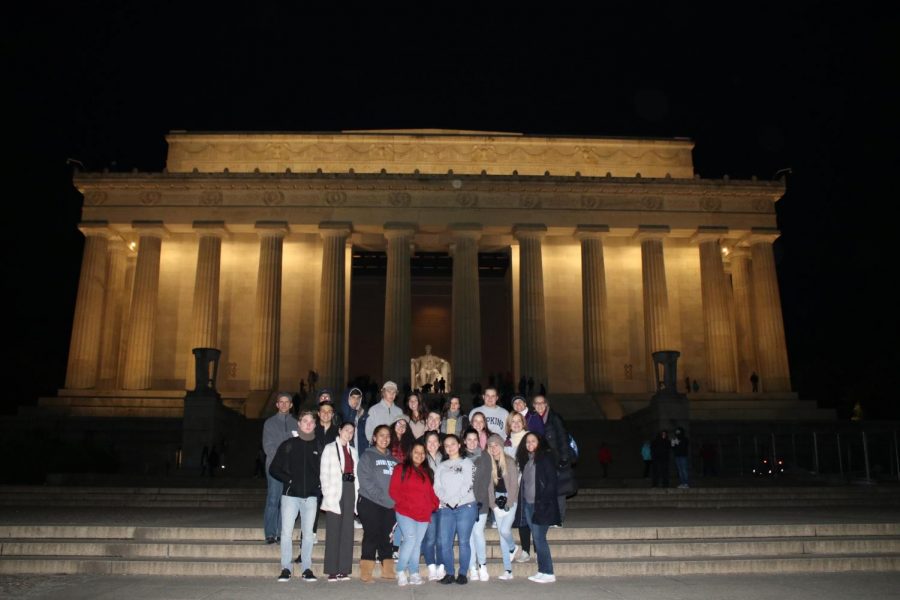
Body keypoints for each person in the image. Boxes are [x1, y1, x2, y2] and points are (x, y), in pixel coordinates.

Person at [269, 411, 320, 582]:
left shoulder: (319, 446)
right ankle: (286, 568)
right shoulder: (288, 444)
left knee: (308, 534)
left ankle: (306, 568)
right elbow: (274, 469)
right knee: (286, 533)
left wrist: (318, 487)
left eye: (311, 422)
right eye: (304, 421)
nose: (307, 424)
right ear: (298, 424)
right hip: (290, 496)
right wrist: (289, 480)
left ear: (315, 425)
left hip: (311, 497)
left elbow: (325, 472)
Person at [389, 442, 440, 586]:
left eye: (422, 453)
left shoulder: (427, 472)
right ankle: (400, 571)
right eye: (416, 452)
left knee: (417, 544)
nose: (419, 455)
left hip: (423, 514)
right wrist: (405, 504)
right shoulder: (401, 468)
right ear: (410, 453)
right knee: (410, 539)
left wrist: (434, 505)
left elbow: (431, 493)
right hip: (405, 512)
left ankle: (414, 572)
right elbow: (393, 490)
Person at [514, 432, 560, 583]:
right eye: (527, 442)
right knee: (537, 539)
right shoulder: (528, 461)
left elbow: (552, 483)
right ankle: (542, 570)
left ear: (539, 442)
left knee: (540, 539)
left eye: (533, 441)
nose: (530, 444)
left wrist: (543, 502)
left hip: (541, 505)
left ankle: (549, 572)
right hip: (529, 505)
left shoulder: (545, 458)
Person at [357, 424, 399, 583]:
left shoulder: (394, 460)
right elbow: (365, 481)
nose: (384, 438)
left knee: (387, 536)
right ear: (374, 438)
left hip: (390, 505)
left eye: (387, 436)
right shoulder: (367, 456)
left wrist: (396, 500)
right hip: (370, 501)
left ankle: (387, 570)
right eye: (381, 435)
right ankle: (366, 571)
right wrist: (385, 499)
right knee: (372, 534)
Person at [433, 434, 477, 584]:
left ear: (459, 445)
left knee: (464, 541)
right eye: (446, 445)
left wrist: (456, 501)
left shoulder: (467, 462)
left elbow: (468, 483)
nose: (450, 447)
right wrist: (447, 500)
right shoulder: (441, 466)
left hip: (466, 506)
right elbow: (437, 486)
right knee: (445, 542)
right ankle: (450, 573)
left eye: (453, 444)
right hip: (446, 509)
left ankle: (463, 573)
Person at [319, 421, 359, 581]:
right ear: (340, 430)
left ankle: (344, 569)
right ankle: (332, 570)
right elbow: (323, 474)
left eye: (352, 432)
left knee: (347, 530)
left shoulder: (354, 451)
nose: (349, 433)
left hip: (350, 489)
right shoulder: (329, 448)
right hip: (335, 490)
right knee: (334, 530)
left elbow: (356, 473)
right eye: (347, 430)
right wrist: (327, 494)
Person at [529, 395, 572, 524]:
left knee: (559, 490)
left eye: (542, 403)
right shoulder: (532, 420)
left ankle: (559, 518)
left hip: (555, 459)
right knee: (545, 489)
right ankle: (548, 517)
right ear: (533, 406)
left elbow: (563, 438)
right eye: (537, 403)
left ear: (547, 404)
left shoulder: (554, 418)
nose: (540, 405)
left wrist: (564, 457)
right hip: (540, 460)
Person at [262, 392, 295, 544]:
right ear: (276, 404)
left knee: (287, 502)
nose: (283, 404)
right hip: (274, 467)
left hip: (290, 469)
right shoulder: (269, 423)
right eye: (281, 402)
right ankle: (270, 533)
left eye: (286, 402)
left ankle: (282, 533)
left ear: (291, 405)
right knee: (273, 499)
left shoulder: (296, 423)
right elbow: (268, 446)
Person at [487, 433, 520, 580]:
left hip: (510, 500)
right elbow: (488, 488)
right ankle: (508, 571)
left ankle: (513, 547)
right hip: (496, 501)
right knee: (501, 536)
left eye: (496, 445)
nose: (494, 448)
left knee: (505, 530)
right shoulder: (489, 464)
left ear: (501, 446)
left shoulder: (510, 462)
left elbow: (514, 486)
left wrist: (508, 503)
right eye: (491, 446)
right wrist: (493, 506)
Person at [464, 429, 492, 582]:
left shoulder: (485, 456)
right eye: (469, 439)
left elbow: (485, 481)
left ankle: (482, 564)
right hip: (465, 504)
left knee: (478, 534)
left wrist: (477, 501)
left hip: (481, 502)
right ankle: (472, 566)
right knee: (468, 536)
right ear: (464, 441)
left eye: (475, 439)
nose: (473, 442)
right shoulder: (461, 457)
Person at [420, 431, 445, 581]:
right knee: (430, 538)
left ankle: (441, 566)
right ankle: (431, 567)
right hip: (428, 505)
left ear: (440, 443)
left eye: (435, 441)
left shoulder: (446, 459)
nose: (432, 444)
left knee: (442, 538)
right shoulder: (421, 459)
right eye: (429, 441)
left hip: (443, 504)